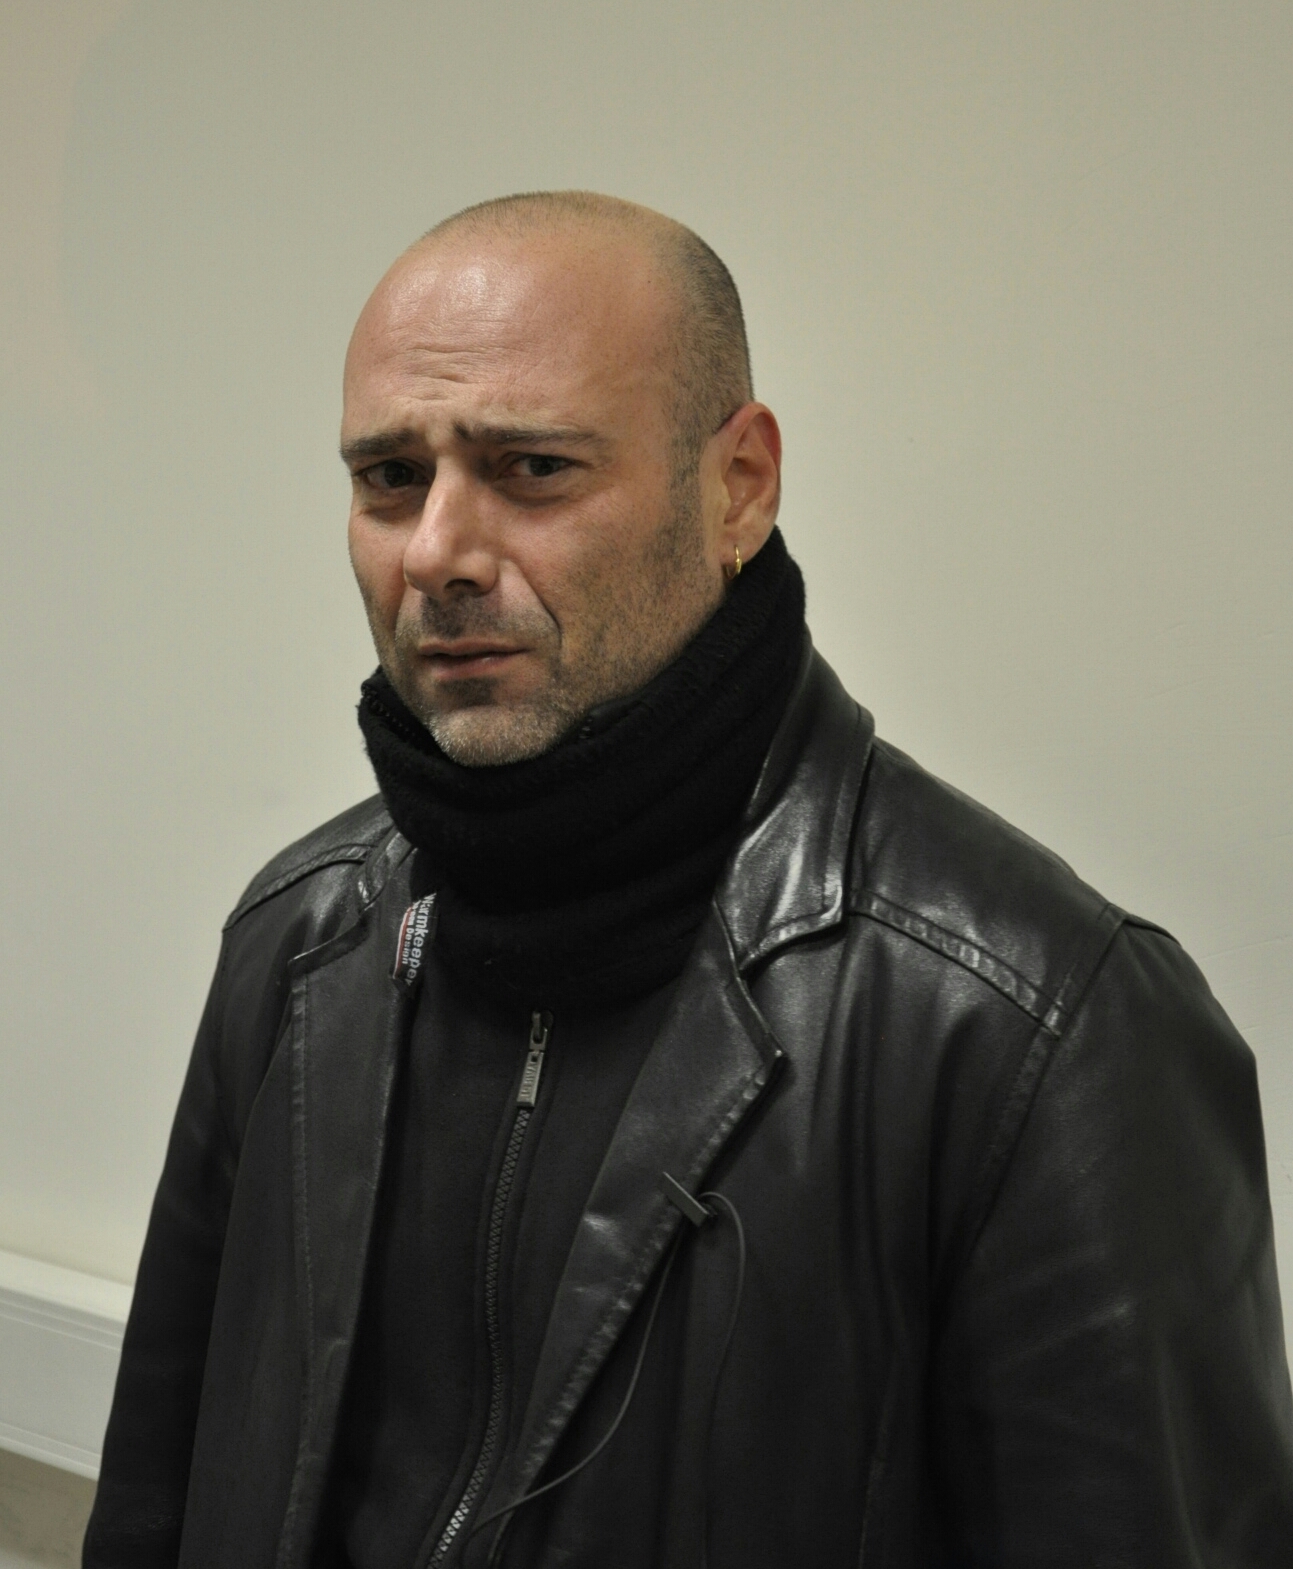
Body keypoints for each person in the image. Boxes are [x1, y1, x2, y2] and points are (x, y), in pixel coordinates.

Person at [84, 192, 1293, 1569]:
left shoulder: (1037, 1027)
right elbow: (154, 1509)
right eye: (391, 478)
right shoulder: (300, 941)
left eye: (532, 468)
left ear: (740, 487)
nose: (437, 553)